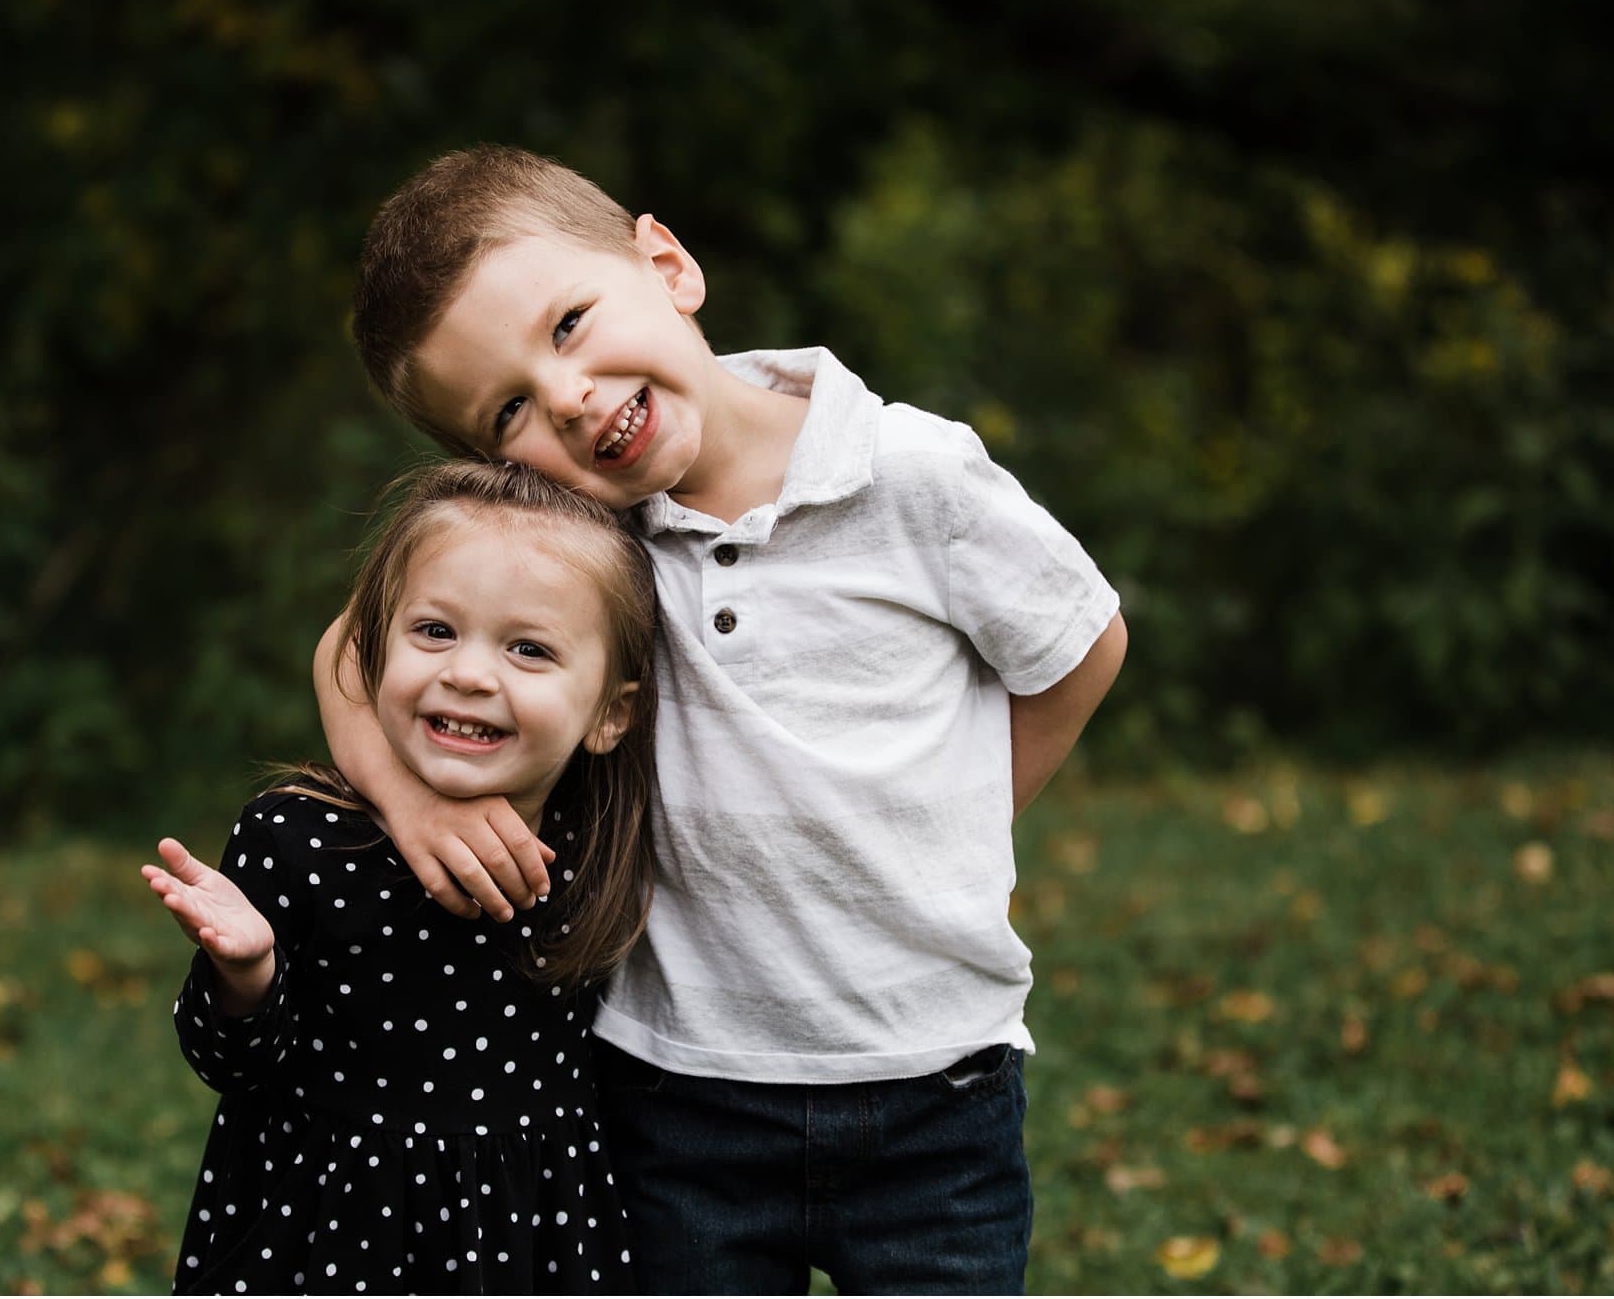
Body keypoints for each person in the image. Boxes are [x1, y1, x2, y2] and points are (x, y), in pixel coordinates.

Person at [316, 145, 1129, 1294]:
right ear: (502, 468)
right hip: (674, 1088)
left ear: (666, 263)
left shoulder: (908, 472)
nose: (571, 396)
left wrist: (959, 819)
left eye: (568, 324)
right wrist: (407, 800)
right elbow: (347, 655)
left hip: (932, 1085)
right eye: (510, 411)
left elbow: (1079, 642)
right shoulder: (577, 548)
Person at [146, 459, 658, 1295]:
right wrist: (245, 975)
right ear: (373, 647)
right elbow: (230, 1060)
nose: (467, 673)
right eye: (434, 631)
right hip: (327, 1227)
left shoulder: (595, 842)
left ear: (609, 713)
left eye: (528, 648)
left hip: (529, 1232)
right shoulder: (300, 834)